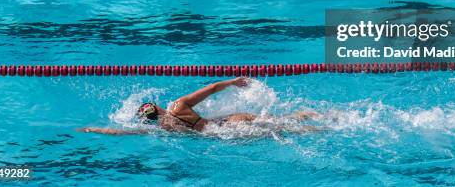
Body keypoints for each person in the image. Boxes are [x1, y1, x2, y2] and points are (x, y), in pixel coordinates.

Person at [78, 77, 316, 135]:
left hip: (223, 134)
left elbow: (122, 132)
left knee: (282, 129)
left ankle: (318, 126)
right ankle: (322, 117)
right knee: (284, 121)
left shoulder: (162, 128)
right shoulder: (178, 106)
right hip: (229, 122)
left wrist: (93, 129)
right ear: (157, 107)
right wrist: (232, 82)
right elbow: (211, 89)